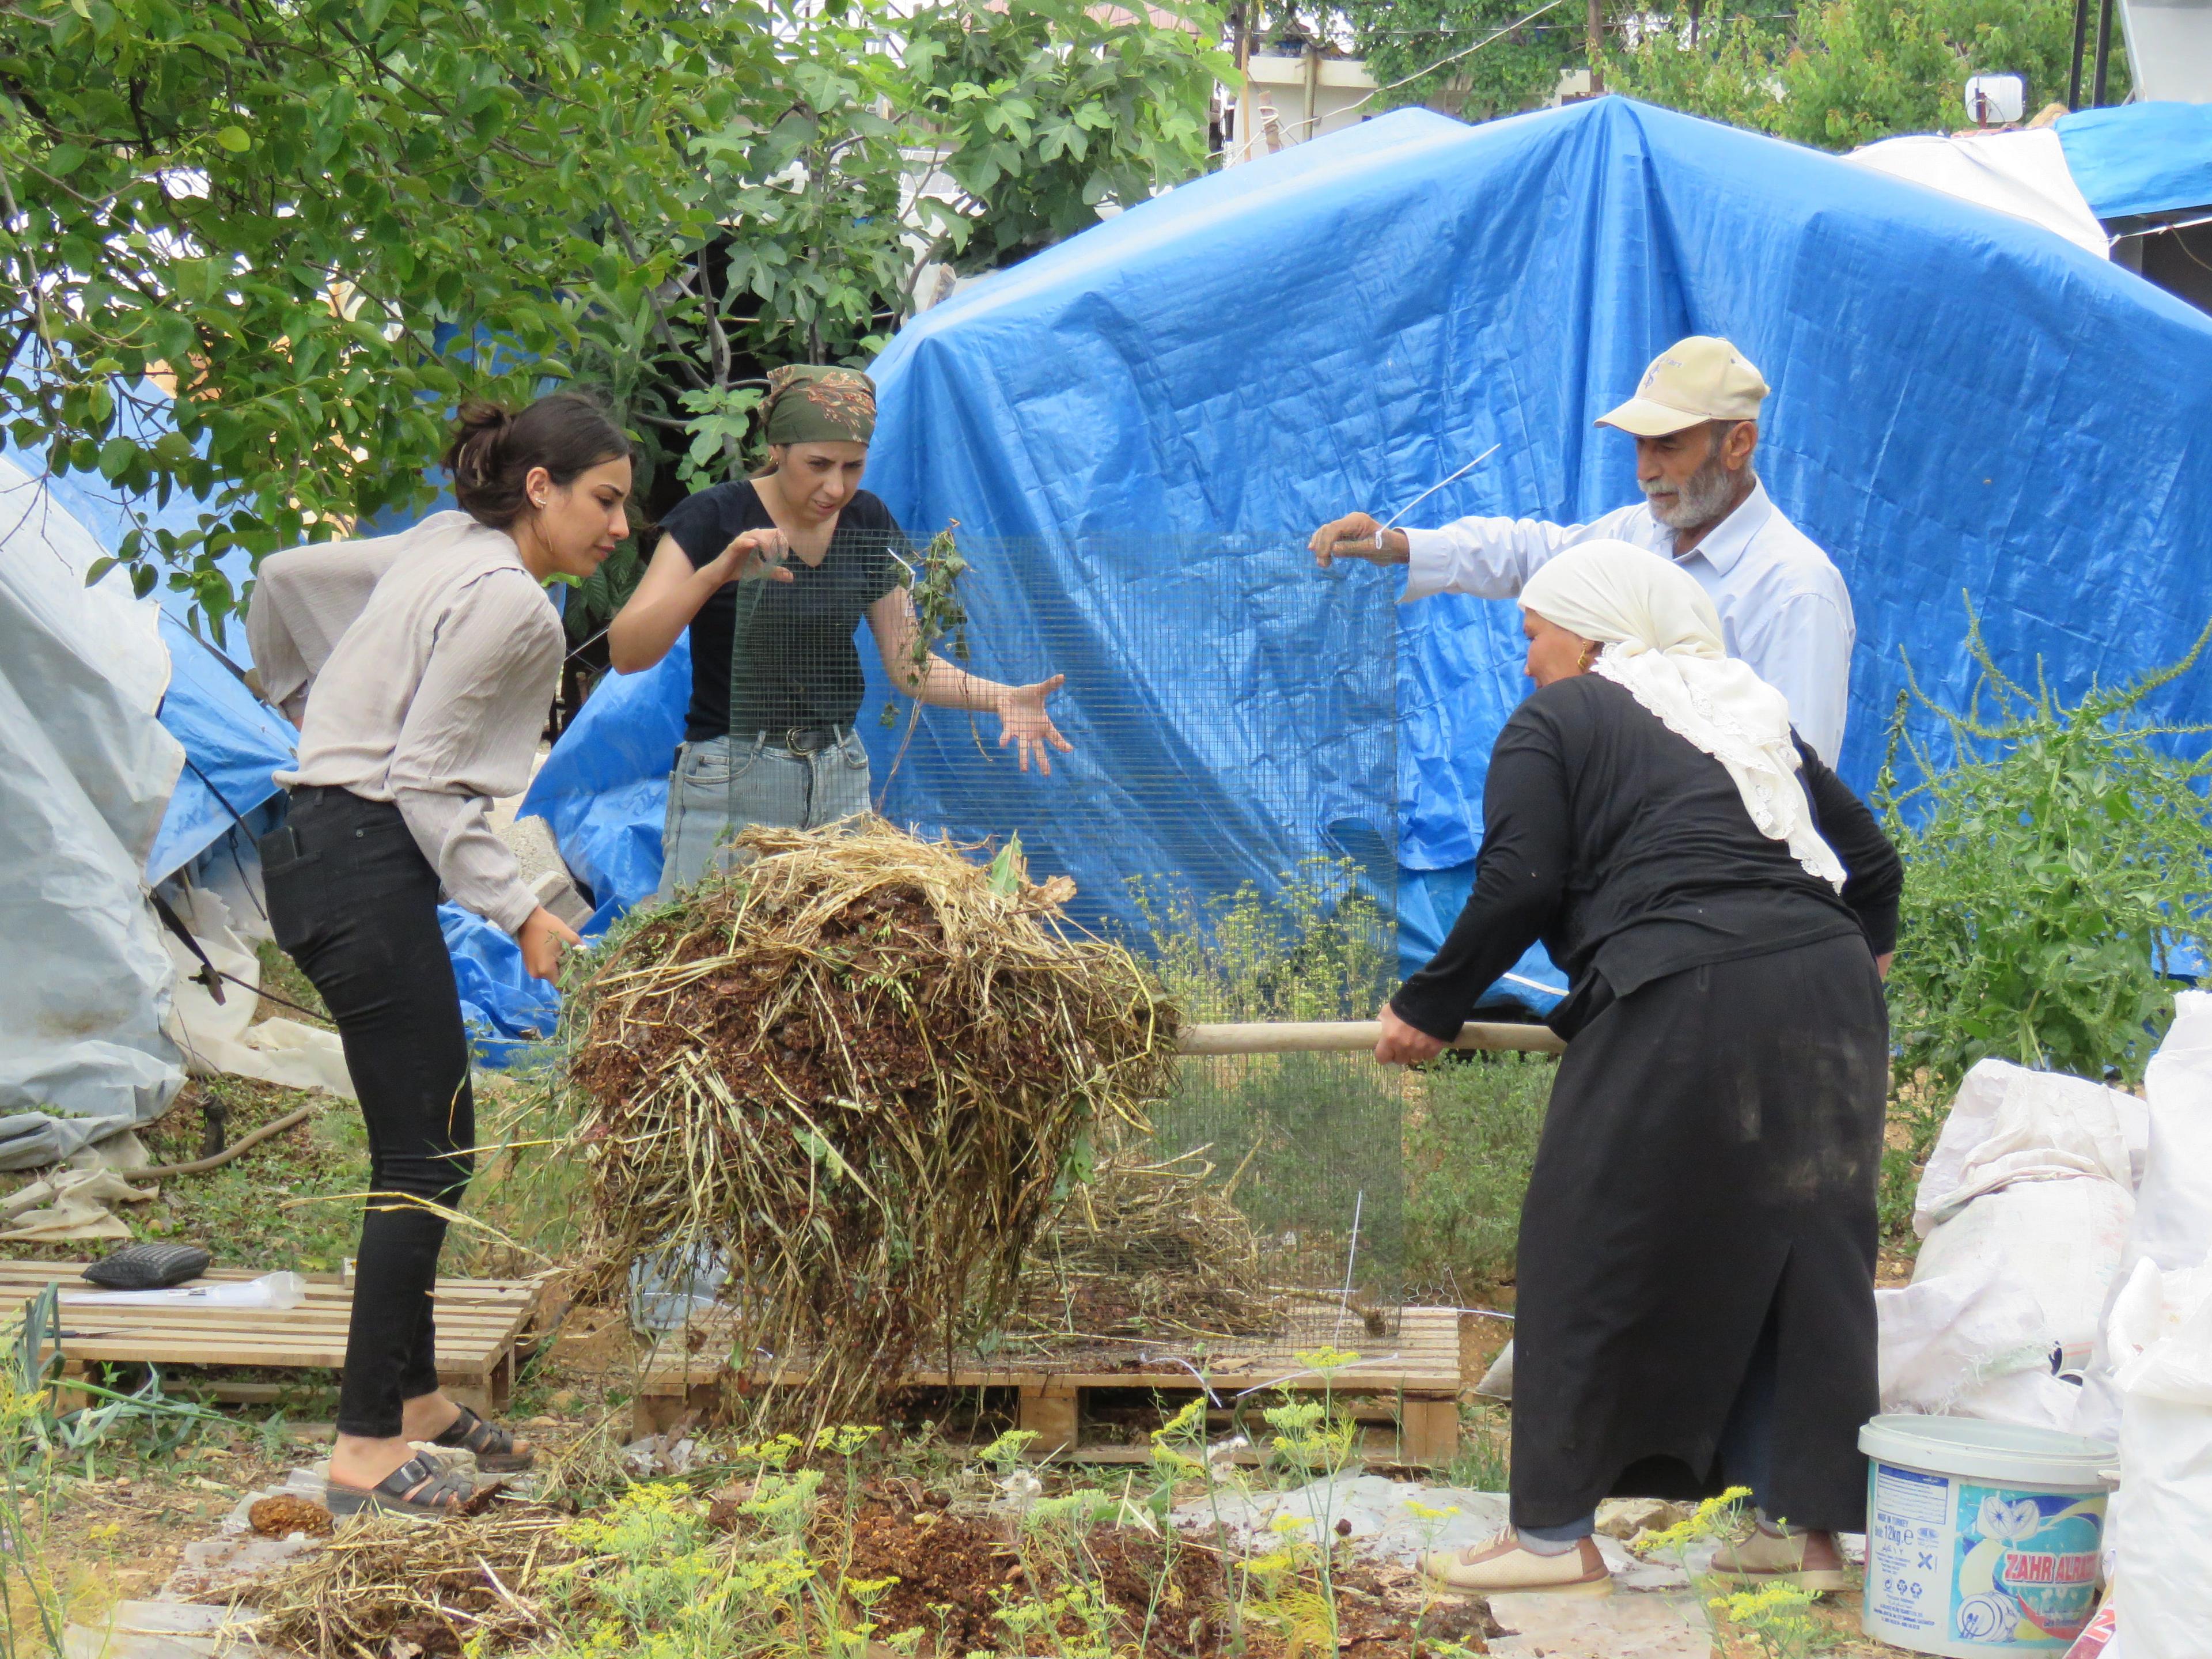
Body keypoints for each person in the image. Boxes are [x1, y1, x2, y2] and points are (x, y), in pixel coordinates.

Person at [1375, 539, 1900, 1599]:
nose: (1525, 662)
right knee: (1807, 1256)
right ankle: (1801, 1538)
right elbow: (1874, 867)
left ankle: (1553, 1536)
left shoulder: (1559, 721)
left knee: (1589, 1238)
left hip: (1686, 985)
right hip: (1831, 991)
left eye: (1533, 634)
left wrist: (1426, 1006)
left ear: (1597, 633)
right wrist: (1827, 963)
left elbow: (1522, 880)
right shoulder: (1746, 721)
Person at [253, 392, 632, 1517]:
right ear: (540, 489)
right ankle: (367, 1450)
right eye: (606, 501)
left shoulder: (441, 538)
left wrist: (312, 714)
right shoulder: (514, 604)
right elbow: (425, 780)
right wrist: (520, 912)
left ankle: (416, 1399)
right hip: (366, 860)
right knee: (422, 1162)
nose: (620, 527)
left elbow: (283, 578)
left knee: (437, 1139)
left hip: (321, 849)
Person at [607, 364, 1072, 897]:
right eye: (818, 464)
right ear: (777, 448)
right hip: (734, 778)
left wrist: (1004, 698)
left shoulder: (867, 522)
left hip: (838, 780)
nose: (836, 487)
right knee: (706, 955)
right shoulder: (714, 517)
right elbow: (627, 651)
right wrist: (716, 574)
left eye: (853, 466)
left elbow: (909, 665)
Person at [1306, 336, 1855, 766]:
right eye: (1639, 445)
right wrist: (1399, 546)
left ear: (1738, 444)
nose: (1645, 472)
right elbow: (1529, 553)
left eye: (1667, 445)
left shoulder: (1795, 589)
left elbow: (1799, 775)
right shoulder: (1641, 534)